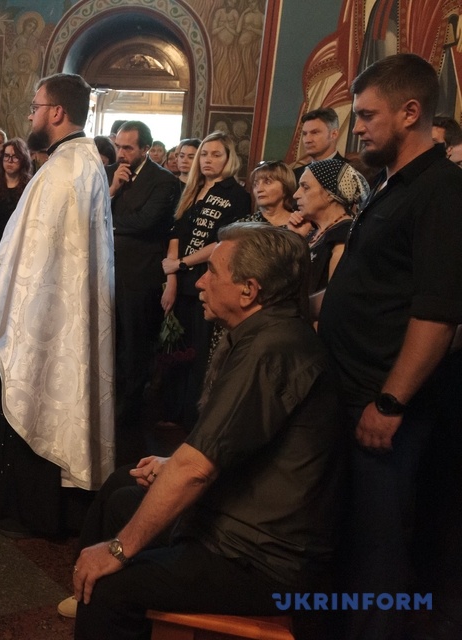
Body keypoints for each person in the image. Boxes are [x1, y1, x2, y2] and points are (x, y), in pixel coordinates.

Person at [71, 223, 344, 640]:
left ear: (249, 290)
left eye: (212, 271)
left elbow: (198, 469)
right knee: (119, 492)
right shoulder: (263, 333)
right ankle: (84, 587)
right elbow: (231, 442)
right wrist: (172, 464)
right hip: (239, 523)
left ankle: (94, 590)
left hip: (262, 560)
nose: (199, 281)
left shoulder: (271, 348)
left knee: (112, 587)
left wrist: (118, 550)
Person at [318, 53, 462, 640]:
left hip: (384, 404)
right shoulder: (391, 183)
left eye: (366, 116)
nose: (357, 128)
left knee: (381, 546)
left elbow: (437, 313)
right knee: (353, 536)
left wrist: (391, 401)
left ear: (410, 112)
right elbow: (369, 286)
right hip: (352, 389)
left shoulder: (443, 190)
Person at [0, 73, 115, 538]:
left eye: (35, 107)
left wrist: (12, 301)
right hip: (57, 306)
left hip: (43, 316)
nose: (30, 115)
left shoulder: (64, 171)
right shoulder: (78, 162)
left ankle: (26, 508)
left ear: (56, 112)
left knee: (32, 391)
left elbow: (34, 260)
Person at [161, 131, 251, 430]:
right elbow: (175, 234)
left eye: (216, 154)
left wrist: (183, 263)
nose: (208, 160)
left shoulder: (236, 194)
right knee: (177, 348)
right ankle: (171, 411)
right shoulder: (191, 189)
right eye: (205, 154)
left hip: (208, 278)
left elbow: (225, 240)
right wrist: (172, 278)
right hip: (180, 280)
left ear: (229, 158)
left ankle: (193, 417)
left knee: (200, 352)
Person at [107, 121, 181, 442]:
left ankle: (130, 412)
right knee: (110, 340)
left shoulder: (164, 181)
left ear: (146, 149)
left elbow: (146, 222)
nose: (121, 153)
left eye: (128, 148)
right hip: (108, 271)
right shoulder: (108, 174)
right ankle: (107, 403)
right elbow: (87, 212)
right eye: (118, 146)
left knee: (135, 345)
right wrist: (111, 190)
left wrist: (108, 223)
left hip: (140, 275)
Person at [293, 157, 368, 294]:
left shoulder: (343, 236)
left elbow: (334, 295)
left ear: (330, 194)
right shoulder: (314, 232)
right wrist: (296, 238)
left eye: (305, 187)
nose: (296, 195)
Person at [0, 138, 32, 259]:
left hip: (21, 251)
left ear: (23, 159)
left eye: (15, 157)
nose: (10, 161)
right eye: (6, 156)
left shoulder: (30, 186)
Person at [248, 160, 311, 235]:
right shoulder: (244, 226)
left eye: (268, 182)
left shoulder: (301, 224)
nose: (259, 189)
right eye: (256, 184)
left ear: (285, 187)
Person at [293, 107, 346, 181]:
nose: (307, 140)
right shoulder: (295, 175)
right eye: (304, 134)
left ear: (334, 134)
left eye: (315, 133)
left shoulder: (348, 171)